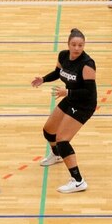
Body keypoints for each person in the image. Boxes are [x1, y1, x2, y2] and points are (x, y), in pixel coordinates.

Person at [32, 29, 98, 193]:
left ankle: (78, 180)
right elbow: (57, 72)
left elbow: (89, 92)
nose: (77, 48)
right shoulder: (63, 56)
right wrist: (44, 79)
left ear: (84, 46)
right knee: (48, 131)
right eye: (74, 45)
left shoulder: (87, 64)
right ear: (68, 45)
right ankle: (57, 155)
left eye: (80, 45)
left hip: (84, 104)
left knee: (62, 140)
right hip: (70, 97)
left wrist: (67, 92)